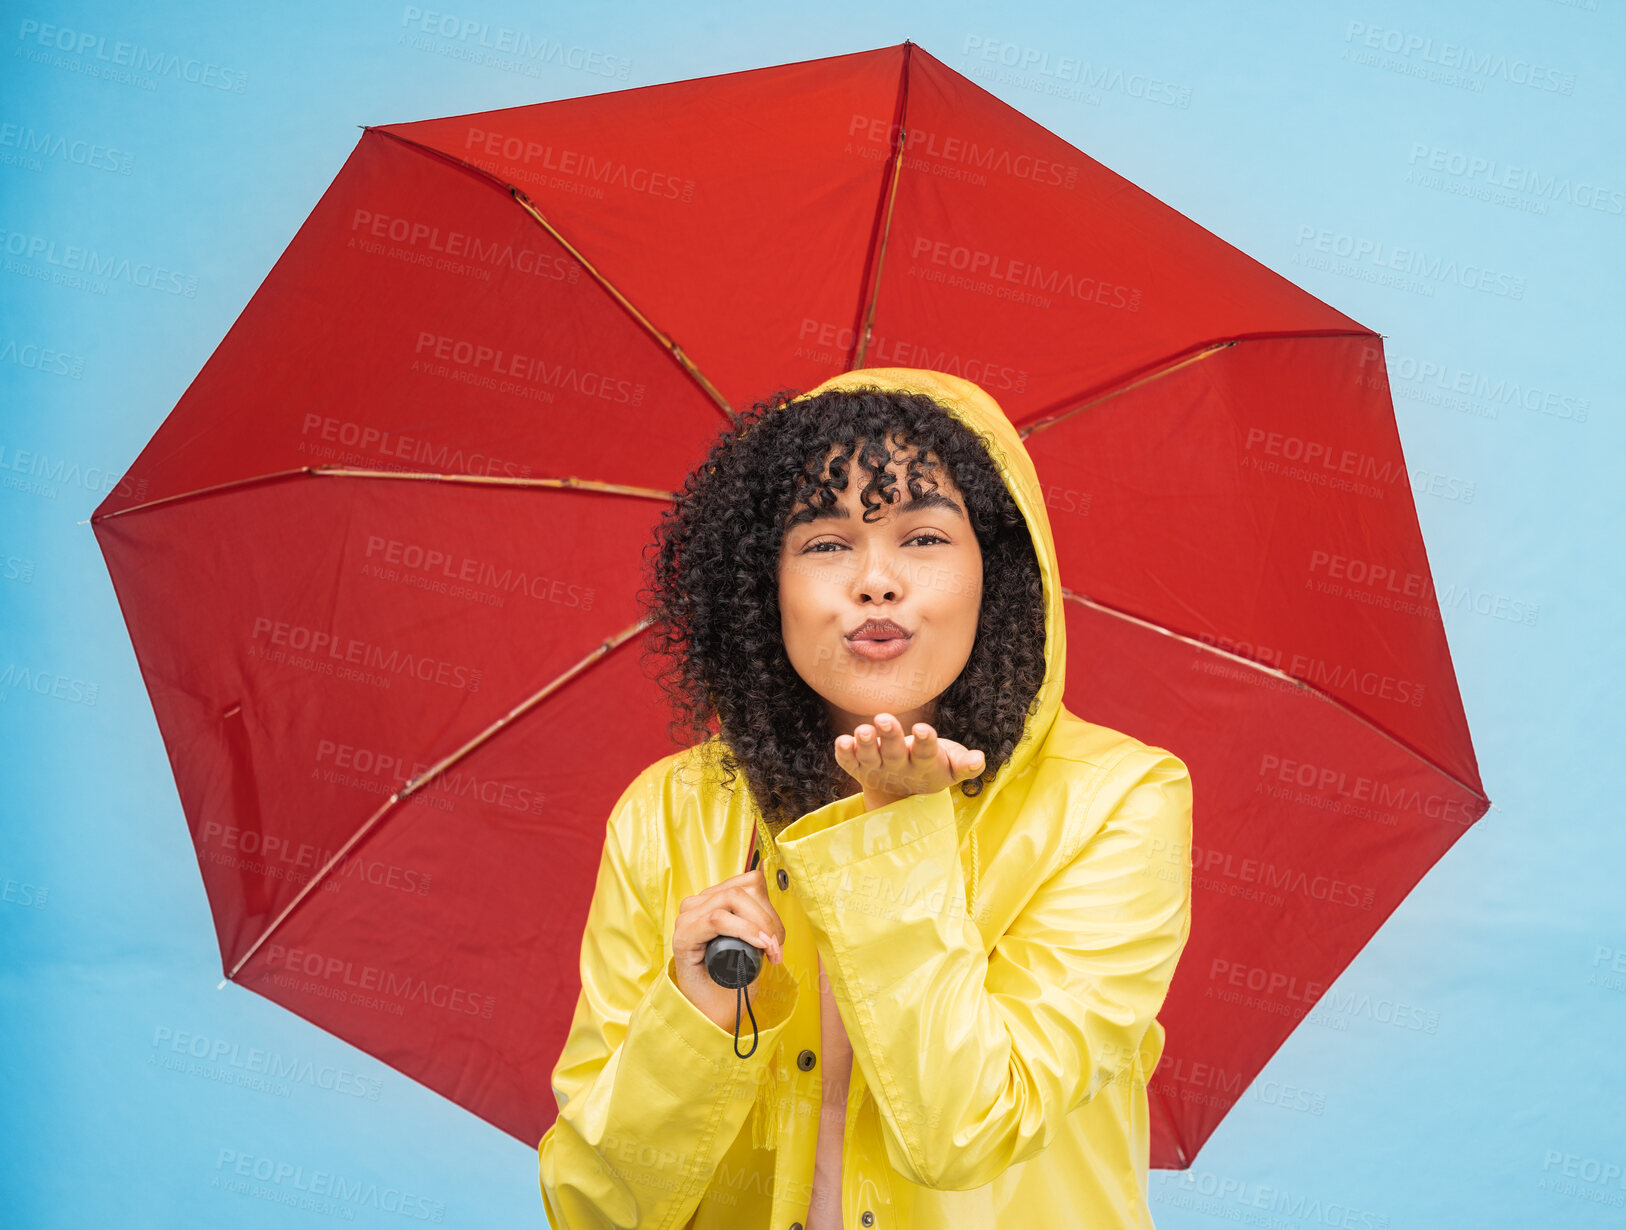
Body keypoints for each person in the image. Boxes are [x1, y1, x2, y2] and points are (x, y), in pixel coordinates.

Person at [537, 367, 1194, 1229]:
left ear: (997, 570)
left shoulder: (1119, 802)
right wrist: (694, 1020)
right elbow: (592, 1211)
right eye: (825, 543)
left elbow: (967, 1131)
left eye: (924, 538)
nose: (876, 582)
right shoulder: (669, 816)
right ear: (759, 586)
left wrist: (896, 837)